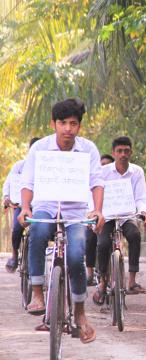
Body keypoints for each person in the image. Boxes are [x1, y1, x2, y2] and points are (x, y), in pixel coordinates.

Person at [18, 98, 105, 344]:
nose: (68, 128)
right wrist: (25, 207)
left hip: (76, 210)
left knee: (77, 255)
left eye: (73, 123)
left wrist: (98, 210)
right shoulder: (40, 148)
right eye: (63, 123)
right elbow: (28, 181)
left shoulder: (88, 149)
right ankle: (37, 293)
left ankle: (80, 313)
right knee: (37, 230)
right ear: (53, 124)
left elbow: (97, 181)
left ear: (79, 126)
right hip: (46, 205)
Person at [93, 136, 146, 304]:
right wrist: (95, 212)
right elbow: (94, 192)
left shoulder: (137, 172)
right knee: (103, 244)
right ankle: (103, 282)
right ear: (114, 153)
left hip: (126, 215)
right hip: (107, 215)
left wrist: (143, 212)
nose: (123, 154)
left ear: (131, 152)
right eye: (119, 151)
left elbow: (141, 197)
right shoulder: (103, 172)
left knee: (134, 235)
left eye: (126, 151)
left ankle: (132, 280)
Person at [3, 137, 40, 273]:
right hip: (21, 204)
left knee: (41, 230)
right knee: (17, 228)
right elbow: (9, 182)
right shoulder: (20, 166)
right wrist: (7, 196)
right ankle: (14, 254)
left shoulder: (47, 168)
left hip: (39, 206)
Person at [85, 154, 114, 286]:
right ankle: (89, 272)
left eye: (107, 165)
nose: (104, 168)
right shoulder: (92, 181)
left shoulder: (115, 182)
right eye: (101, 165)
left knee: (106, 241)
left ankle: (109, 273)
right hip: (93, 217)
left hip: (111, 217)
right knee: (90, 237)